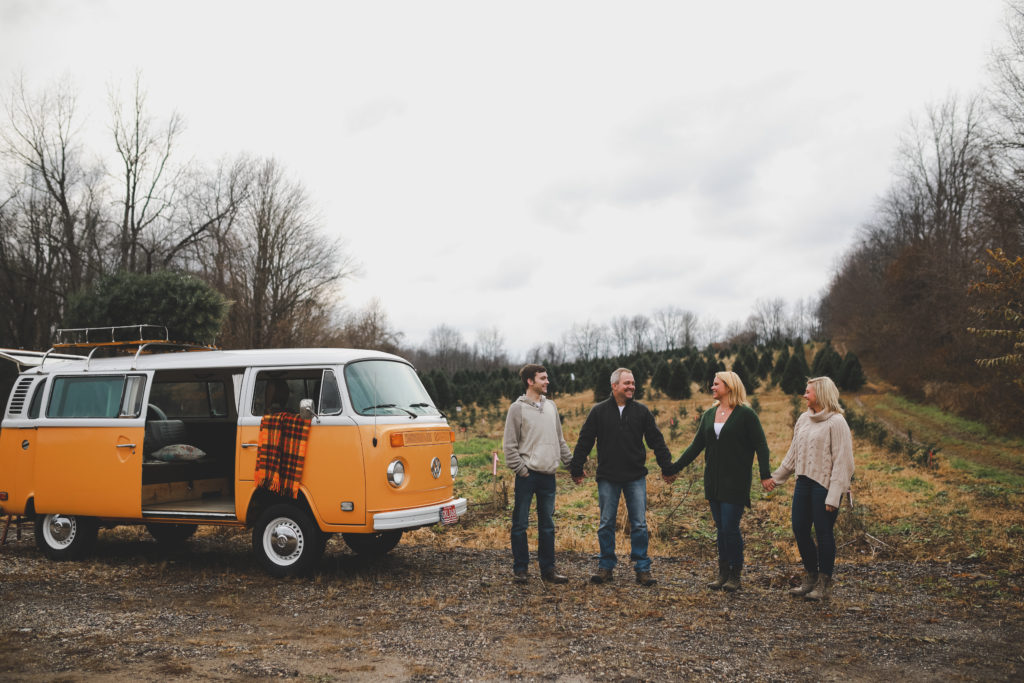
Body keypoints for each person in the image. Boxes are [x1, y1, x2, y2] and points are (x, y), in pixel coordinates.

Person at [570, 368, 675, 587]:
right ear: (614, 386)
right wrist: (576, 468)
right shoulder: (598, 412)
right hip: (608, 476)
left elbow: (656, 440)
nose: (631, 387)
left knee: (639, 524)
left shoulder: (641, 412)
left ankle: (642, 568)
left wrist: (667, 467)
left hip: (635, 476)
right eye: (626, 383)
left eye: (633, 383)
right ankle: (606, 566)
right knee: (606, 523)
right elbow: (585, 440)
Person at [668, 371, 772, 592]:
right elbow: (696, 446)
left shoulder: (746, 415)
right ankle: (722, 572)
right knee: (721, 528)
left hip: (735, 480)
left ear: (730, 386)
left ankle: (735, 573)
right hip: (713, 480)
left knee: (730, 527)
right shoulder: (709, 415)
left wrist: (765, 474)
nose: (712, 387)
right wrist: (674, 468)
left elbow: (761, 445)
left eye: (716, 384)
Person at [767, 375, 854, 602]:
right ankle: (811, 576)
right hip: (803, 481)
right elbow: (794, 453)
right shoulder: (803, 419)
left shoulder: (837, 422)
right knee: (799, 528)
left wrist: (834, 495)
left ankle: (825, 583)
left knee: (824, 534)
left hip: (824, 486)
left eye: (808, 391)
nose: (804, 395)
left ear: (822, 394)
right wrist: (776, 478)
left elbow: (844, 462)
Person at [502, 364, 573, 584]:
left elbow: (559, 440)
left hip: (548, 475)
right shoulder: (517, 408)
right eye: (543, 378)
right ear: (530, 381)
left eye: (547, 378)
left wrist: (572, 464)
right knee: (520, 524)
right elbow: (509, 446)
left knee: (548, 525)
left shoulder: (551, 406)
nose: (547, 381)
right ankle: (521, 569)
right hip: (527, 475)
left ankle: (548, 570)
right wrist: (522, 470)